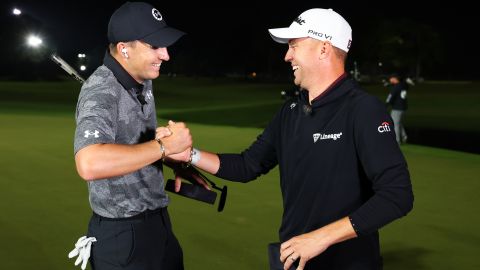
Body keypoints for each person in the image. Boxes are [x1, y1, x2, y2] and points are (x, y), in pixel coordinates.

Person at [169, 8, 413, 270]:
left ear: (323, 49)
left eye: (294, 45)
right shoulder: (291, 111)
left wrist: (321, 238)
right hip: (294, 260)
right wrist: (189, 155)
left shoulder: (363, 110)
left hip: (348, 263)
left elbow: (397, 195)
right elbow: (247, 165)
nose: (287, 56)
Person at [71, 2, 207, 270]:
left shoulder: (142, 79)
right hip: (123, 237)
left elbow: (132, 141)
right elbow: (89, 163)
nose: (166, 55)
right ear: (124, 49)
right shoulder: (100, 91)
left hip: (158, 223)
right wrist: (163, 147)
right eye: (155, 47)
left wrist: (171, 159)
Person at [385, 73, 409, 143]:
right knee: (398, 122)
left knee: (395, 124)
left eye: (391, 78)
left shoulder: (396, 87)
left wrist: (385, 105)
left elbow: (390, 98)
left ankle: (397, 141)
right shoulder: (402, 85)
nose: (390, 79)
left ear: (395, 79)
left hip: (397, 108)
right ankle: (404, 136)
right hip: (403, 108)